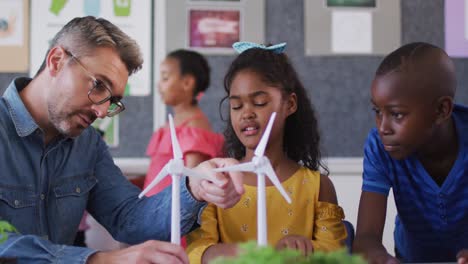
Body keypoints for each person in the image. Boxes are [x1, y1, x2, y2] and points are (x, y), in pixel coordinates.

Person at [0, 16, 245, 263]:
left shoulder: (88, 145)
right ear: (56, 61)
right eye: (98, 86)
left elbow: (129, 217)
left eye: (113, 101)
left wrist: (195, 186)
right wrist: (100, 260)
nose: (102, 111)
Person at [186, 42, 347, 264]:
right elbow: (196, 252)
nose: (246, 114)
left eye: (259, 102)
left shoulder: (318, 187)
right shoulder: (218, 185)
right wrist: (240, 254)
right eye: (236, 106)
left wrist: (306, 249)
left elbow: (336, 256)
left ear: (290, 104)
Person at [353, 42, 468, 264]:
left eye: (397, 114)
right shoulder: (379, 146)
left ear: (441, 110)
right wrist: (381, 258)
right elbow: (366, 238)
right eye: (377, 111)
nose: (383, 127)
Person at [143, 49, 224, 197]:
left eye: (165, 78)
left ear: (187, 83)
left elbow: (191, 185)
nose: (159, 84)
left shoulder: (194, 127)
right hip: (155, 211)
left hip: (174, 214)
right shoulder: (171, 124)